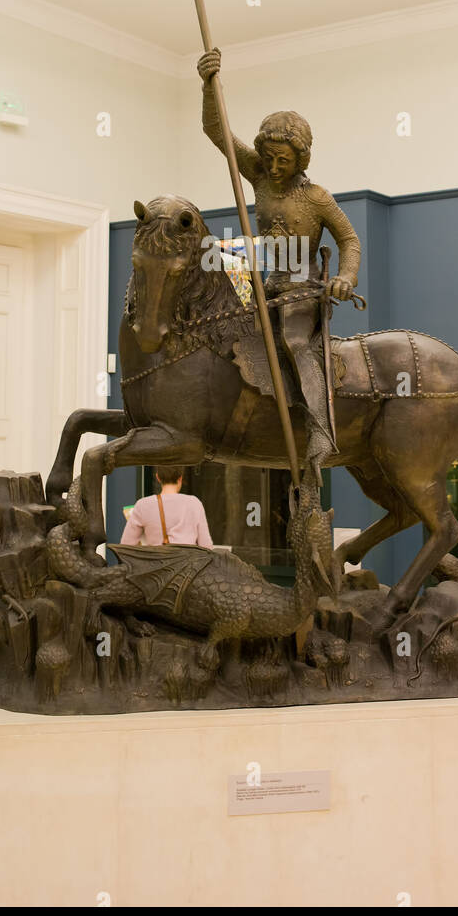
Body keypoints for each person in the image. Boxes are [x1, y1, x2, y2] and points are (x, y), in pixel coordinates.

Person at [198, 47, 361, 484]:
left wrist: (345, 278)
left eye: (282, 160)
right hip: (268, 282)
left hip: (304, 287)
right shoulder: (256, 175)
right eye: (267, 157)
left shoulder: (316, 198)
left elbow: (348, 238)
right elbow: (217, 132)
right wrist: (207, 83)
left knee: (293, 341)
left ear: (300, 159)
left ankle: (321, 431)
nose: (272, 166)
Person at [121, 466, 213, 547]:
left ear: (158, 478)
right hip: (188, 565)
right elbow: (206, 546)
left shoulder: (143, 505)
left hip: (155, 565)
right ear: (180, 478)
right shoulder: (194, 503)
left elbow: (127, 544)